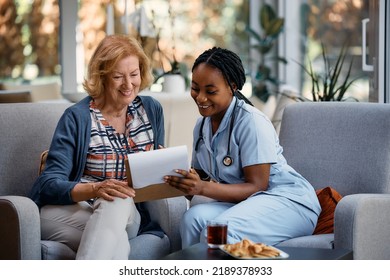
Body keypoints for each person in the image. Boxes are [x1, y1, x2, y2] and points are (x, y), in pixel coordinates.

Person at [164, 47, 321, 248]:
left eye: (210, 91)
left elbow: (257, 186)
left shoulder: (251, 122)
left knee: (219, 231)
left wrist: (201, 187)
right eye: (195, 88)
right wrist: (181, 179)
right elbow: (201, 179)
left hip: (289, 203)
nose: (201, 98)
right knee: (192, 219)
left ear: (233, 87)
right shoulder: (202, 126)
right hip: (248, 204)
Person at [30, 34, 165, 259]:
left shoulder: (150, 111)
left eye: (134, 74)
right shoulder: (77, 117)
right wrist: (96, 188)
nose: (129, 84)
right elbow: (48, 184)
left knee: (118, 198)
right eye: (118, 77)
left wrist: (166, 169)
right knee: (115, 240)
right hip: (74, 210)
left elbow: (153, 178)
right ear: (102, 77)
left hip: (129, 213)